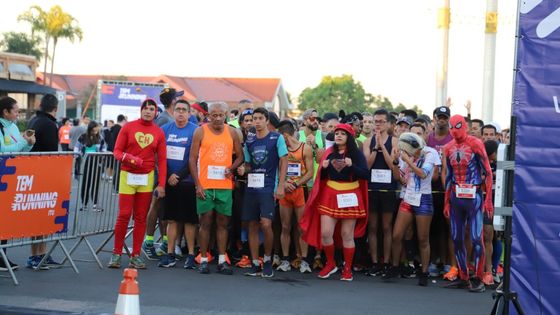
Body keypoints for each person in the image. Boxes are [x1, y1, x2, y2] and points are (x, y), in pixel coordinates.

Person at [300, 123, 369, 281]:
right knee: (326, 233)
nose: (338, 136)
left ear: (349, 137)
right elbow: (322, 179)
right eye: (336, 133)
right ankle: (330, 264)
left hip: (350, 195)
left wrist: (352, 167)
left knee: (347, 235)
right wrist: (323, 169)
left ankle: (347, 268)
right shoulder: (329, 152)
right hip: (330, 196)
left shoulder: (357, 154)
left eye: (342, 134)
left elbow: (365, 175)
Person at [108, 98, 167, 269]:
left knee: (141, 217)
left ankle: (135, 255)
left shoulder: (158, 132)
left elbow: (162, 160)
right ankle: (116, 253)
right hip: (128, 176)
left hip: (146, 179)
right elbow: (117, 151)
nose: (148, 111)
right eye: (146, 108)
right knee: (124, 214)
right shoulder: (128, 127)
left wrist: (161, 184)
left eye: (152, 109)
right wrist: (131, 159)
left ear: (156, 112)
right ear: (141, 110)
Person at [189, 102, 244, 275]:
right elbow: (192, 159)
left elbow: (240, 156)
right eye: (214, 115)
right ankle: (204, 259)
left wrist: (232, 168)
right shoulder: (200, 131)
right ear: (208, 115)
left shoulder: (232, 132)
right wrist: (197, 184)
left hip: (224, 186)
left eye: (221, 115)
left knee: (223, 223)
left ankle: (222, 260)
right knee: (205, 222)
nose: (218, 118)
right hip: (205, 185)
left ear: (226, 115)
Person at [442, 115, 494, 292]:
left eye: (457, 126)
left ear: (464, 126)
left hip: (474, 197)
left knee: (475, 238)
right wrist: (446, 202)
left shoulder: (475, 143)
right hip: (456, 197)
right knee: (456, 238)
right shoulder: (448, 147)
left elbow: (487, 172)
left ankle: (478, 277)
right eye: (452, 127)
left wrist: (488, 200)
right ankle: (463, 276)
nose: (454, 131)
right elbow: (448, 177)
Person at [383, 132, 440, 286]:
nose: (406, 153)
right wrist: (396, 163)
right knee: (396, 235)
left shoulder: (430, 153)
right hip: (408, 197)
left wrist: (408, 161)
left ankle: (424, 271)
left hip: (424, 198)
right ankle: (395, 266)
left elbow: (423, 174)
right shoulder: (405, 154)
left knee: (423, 238)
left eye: (409, 151)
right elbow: (399, 178)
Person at [238, 107, 288, 278]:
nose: (256, 121)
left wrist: (281, 185)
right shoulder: (250, 141)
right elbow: (249, 164)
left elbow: (284, 161)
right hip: (252, 186)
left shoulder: (277, 138)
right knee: (251, 224)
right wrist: (243, 168)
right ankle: (254, 262)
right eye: (254, 119)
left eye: (260, 118)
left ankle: (267, 259)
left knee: (266, 224)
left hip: (268, 186)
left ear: (267, 120)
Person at [156, 100, 199, 268]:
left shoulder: (195, 131)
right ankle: (170, 253)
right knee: (172, 220)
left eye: (184, 110)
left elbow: (194, 159)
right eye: (178, 110)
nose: (180, 112)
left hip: (187, 181)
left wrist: (179, 176)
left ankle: (190, 255)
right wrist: (167, 176)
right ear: (173, 112)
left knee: (189, 221)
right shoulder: (164, 130)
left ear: (189, 113)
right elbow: (159, 157)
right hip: (169, 181)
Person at [142, 88, 183, 259]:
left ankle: (166, 241)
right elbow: (155, 147)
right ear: (173, 101)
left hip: (168, 170)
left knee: (164, 209)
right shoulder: (163, 120)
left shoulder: (169, 117)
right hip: (160, 170)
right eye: (178, 99)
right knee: (156, 205)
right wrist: (162, 172)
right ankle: (148, 241)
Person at [0, 96, 36, 271]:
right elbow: (3, 150)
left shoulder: (13, 127)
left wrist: (28, 144)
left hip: (10, 177)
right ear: (5, 112)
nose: (18, 113)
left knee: (5, 219)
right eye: (15, 110)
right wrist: (23, 141)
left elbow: (19, 149)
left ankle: (2, 256)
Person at [362, 108, 399, 276]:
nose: (378, 124)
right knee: (373, 226)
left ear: (388, 123)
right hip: (371, 188)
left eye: (381, 121)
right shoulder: (367, 142)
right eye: (375, 121)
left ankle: (386, 262)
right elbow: (366, 166)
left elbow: (393, 165)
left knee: (386, 227)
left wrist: (382, 147)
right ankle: (375, 262)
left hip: (388, 188)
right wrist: (375, 147)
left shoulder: (395, 141)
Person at [26, 94, 61, 269]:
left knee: (40, 217)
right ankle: (36, 256)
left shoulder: (34, 120)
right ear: (55, 108)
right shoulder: (49, 124)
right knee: (42, 216)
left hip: (32, 173)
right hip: (43, 175)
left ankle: (40, 254)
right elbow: (52, 153)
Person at [276, 120, 314, 273]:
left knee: (301, 227)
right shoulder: (280, 149)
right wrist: (284, 183)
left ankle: (304, 260)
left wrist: (296, 184)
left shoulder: (305, 149)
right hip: (284, 191)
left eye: (280, 137)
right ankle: (285, 260)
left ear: (285, 135)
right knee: (285, 227)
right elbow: (276, 169)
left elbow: (310, 172)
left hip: (299, 191)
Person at [74, 121, 106, 211]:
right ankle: (84, 204)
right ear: (90, 128)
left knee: (95, 184)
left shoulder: (100, 137)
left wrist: (102, 157)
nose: (96, 130)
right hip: (85, 163)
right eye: (94, 128)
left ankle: (95, 204)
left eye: (97, 128)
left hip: (97, 163)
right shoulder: (83, 137)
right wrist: (78, 156)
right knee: (85, 183)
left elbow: (104, 149)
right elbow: (77, 148)